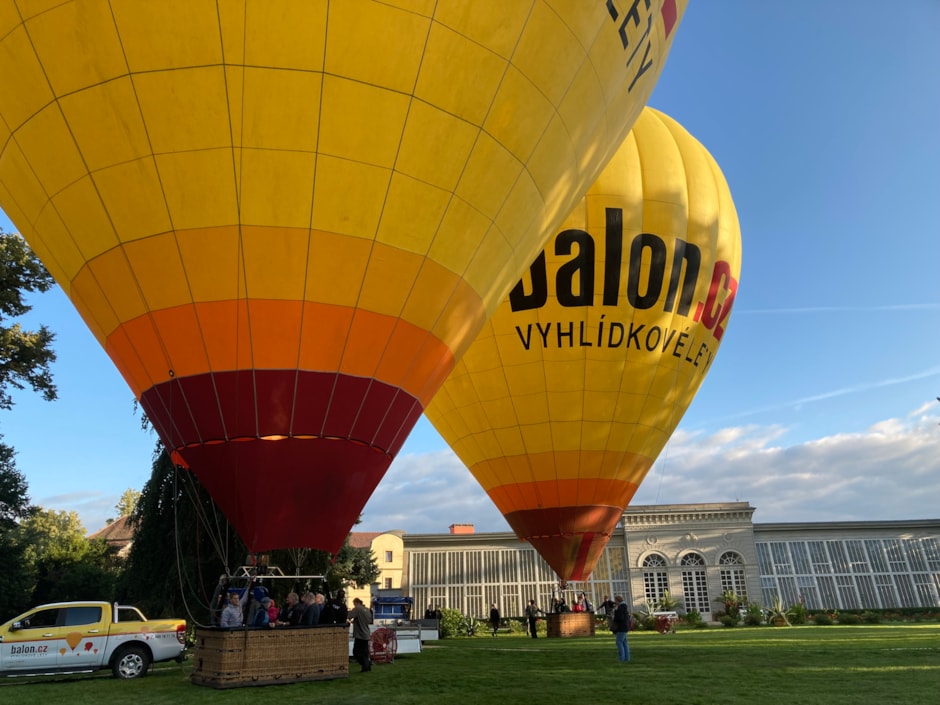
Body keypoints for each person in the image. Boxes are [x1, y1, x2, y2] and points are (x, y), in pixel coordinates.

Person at [348, 597, 374, 672]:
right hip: (366, 633)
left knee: (356, 652)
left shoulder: (357, 608)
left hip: (360, 634)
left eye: (354, 604)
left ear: (356, 603)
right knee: (365, 652)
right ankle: (367, 666)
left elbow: (349, 615)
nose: (354, 606)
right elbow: (369, 620)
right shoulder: (367, 609)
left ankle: (366, 664)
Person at [611, 595, 631, 662]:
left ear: (617, 601)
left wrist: (615, 613)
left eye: (615, 601)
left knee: (619, 642)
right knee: (624, 642)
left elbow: (620, 618)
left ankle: (621, 658)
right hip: (625, 626)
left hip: (621, 627)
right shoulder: (624, 606)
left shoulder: (620, 607)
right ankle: (627, 658)